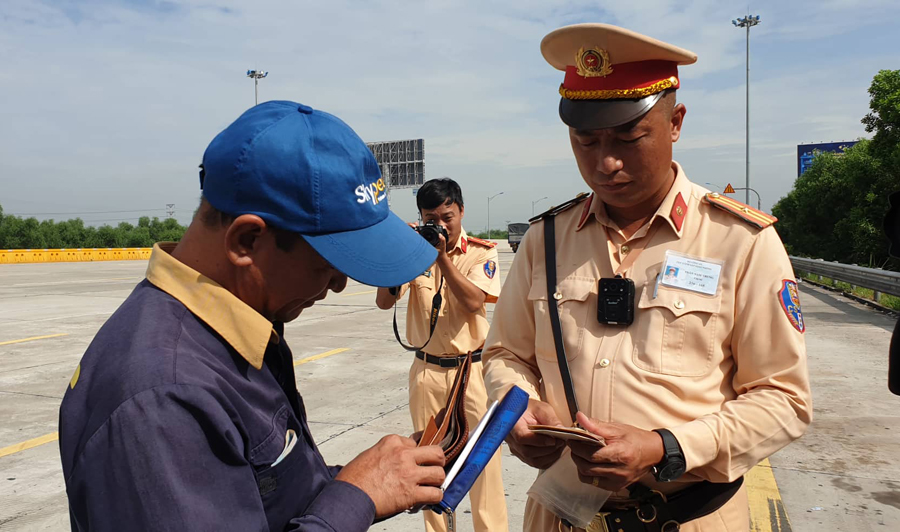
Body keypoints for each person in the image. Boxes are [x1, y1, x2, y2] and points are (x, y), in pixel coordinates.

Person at [481, 23, 813, 532]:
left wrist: (667, 447)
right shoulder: (544, 241)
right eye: (585, 141)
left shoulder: (740, 241)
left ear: (675, 122)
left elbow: (783, 399)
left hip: (687, 517)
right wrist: (517, 409)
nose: (605, 163)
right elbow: (505, 354)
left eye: (629, 137)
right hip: (561, 515)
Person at [59, 101, 448, 532]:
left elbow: (263, 497)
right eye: (329, 262)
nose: (339, 284)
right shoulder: (162, 400)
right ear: (246, 241)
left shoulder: (234, 329)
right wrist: (354, 498)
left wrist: (370, 481)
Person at [375, 177, 509, 532]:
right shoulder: (414, 252)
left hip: (472, 373)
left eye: (447, 216)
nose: (441, 225)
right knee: (429, 466)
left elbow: (474, 301)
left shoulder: (481, 252)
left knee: (483, 467)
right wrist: (398, 255)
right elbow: (383, 301)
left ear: (461, 211)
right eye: (432, 218)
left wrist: (442, 259)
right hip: (427, 372)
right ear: (420, 217)